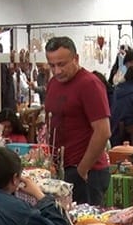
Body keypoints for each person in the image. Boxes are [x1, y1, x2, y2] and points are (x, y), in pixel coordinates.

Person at [43, 37, 111, 206]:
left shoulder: (90, 84)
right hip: (62, 168)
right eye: (52, 66)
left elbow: (103, 131)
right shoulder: (53, 83)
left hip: (87, 172)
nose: (57, 71)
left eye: (62, 64)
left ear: (76, 58)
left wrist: (82, 169)